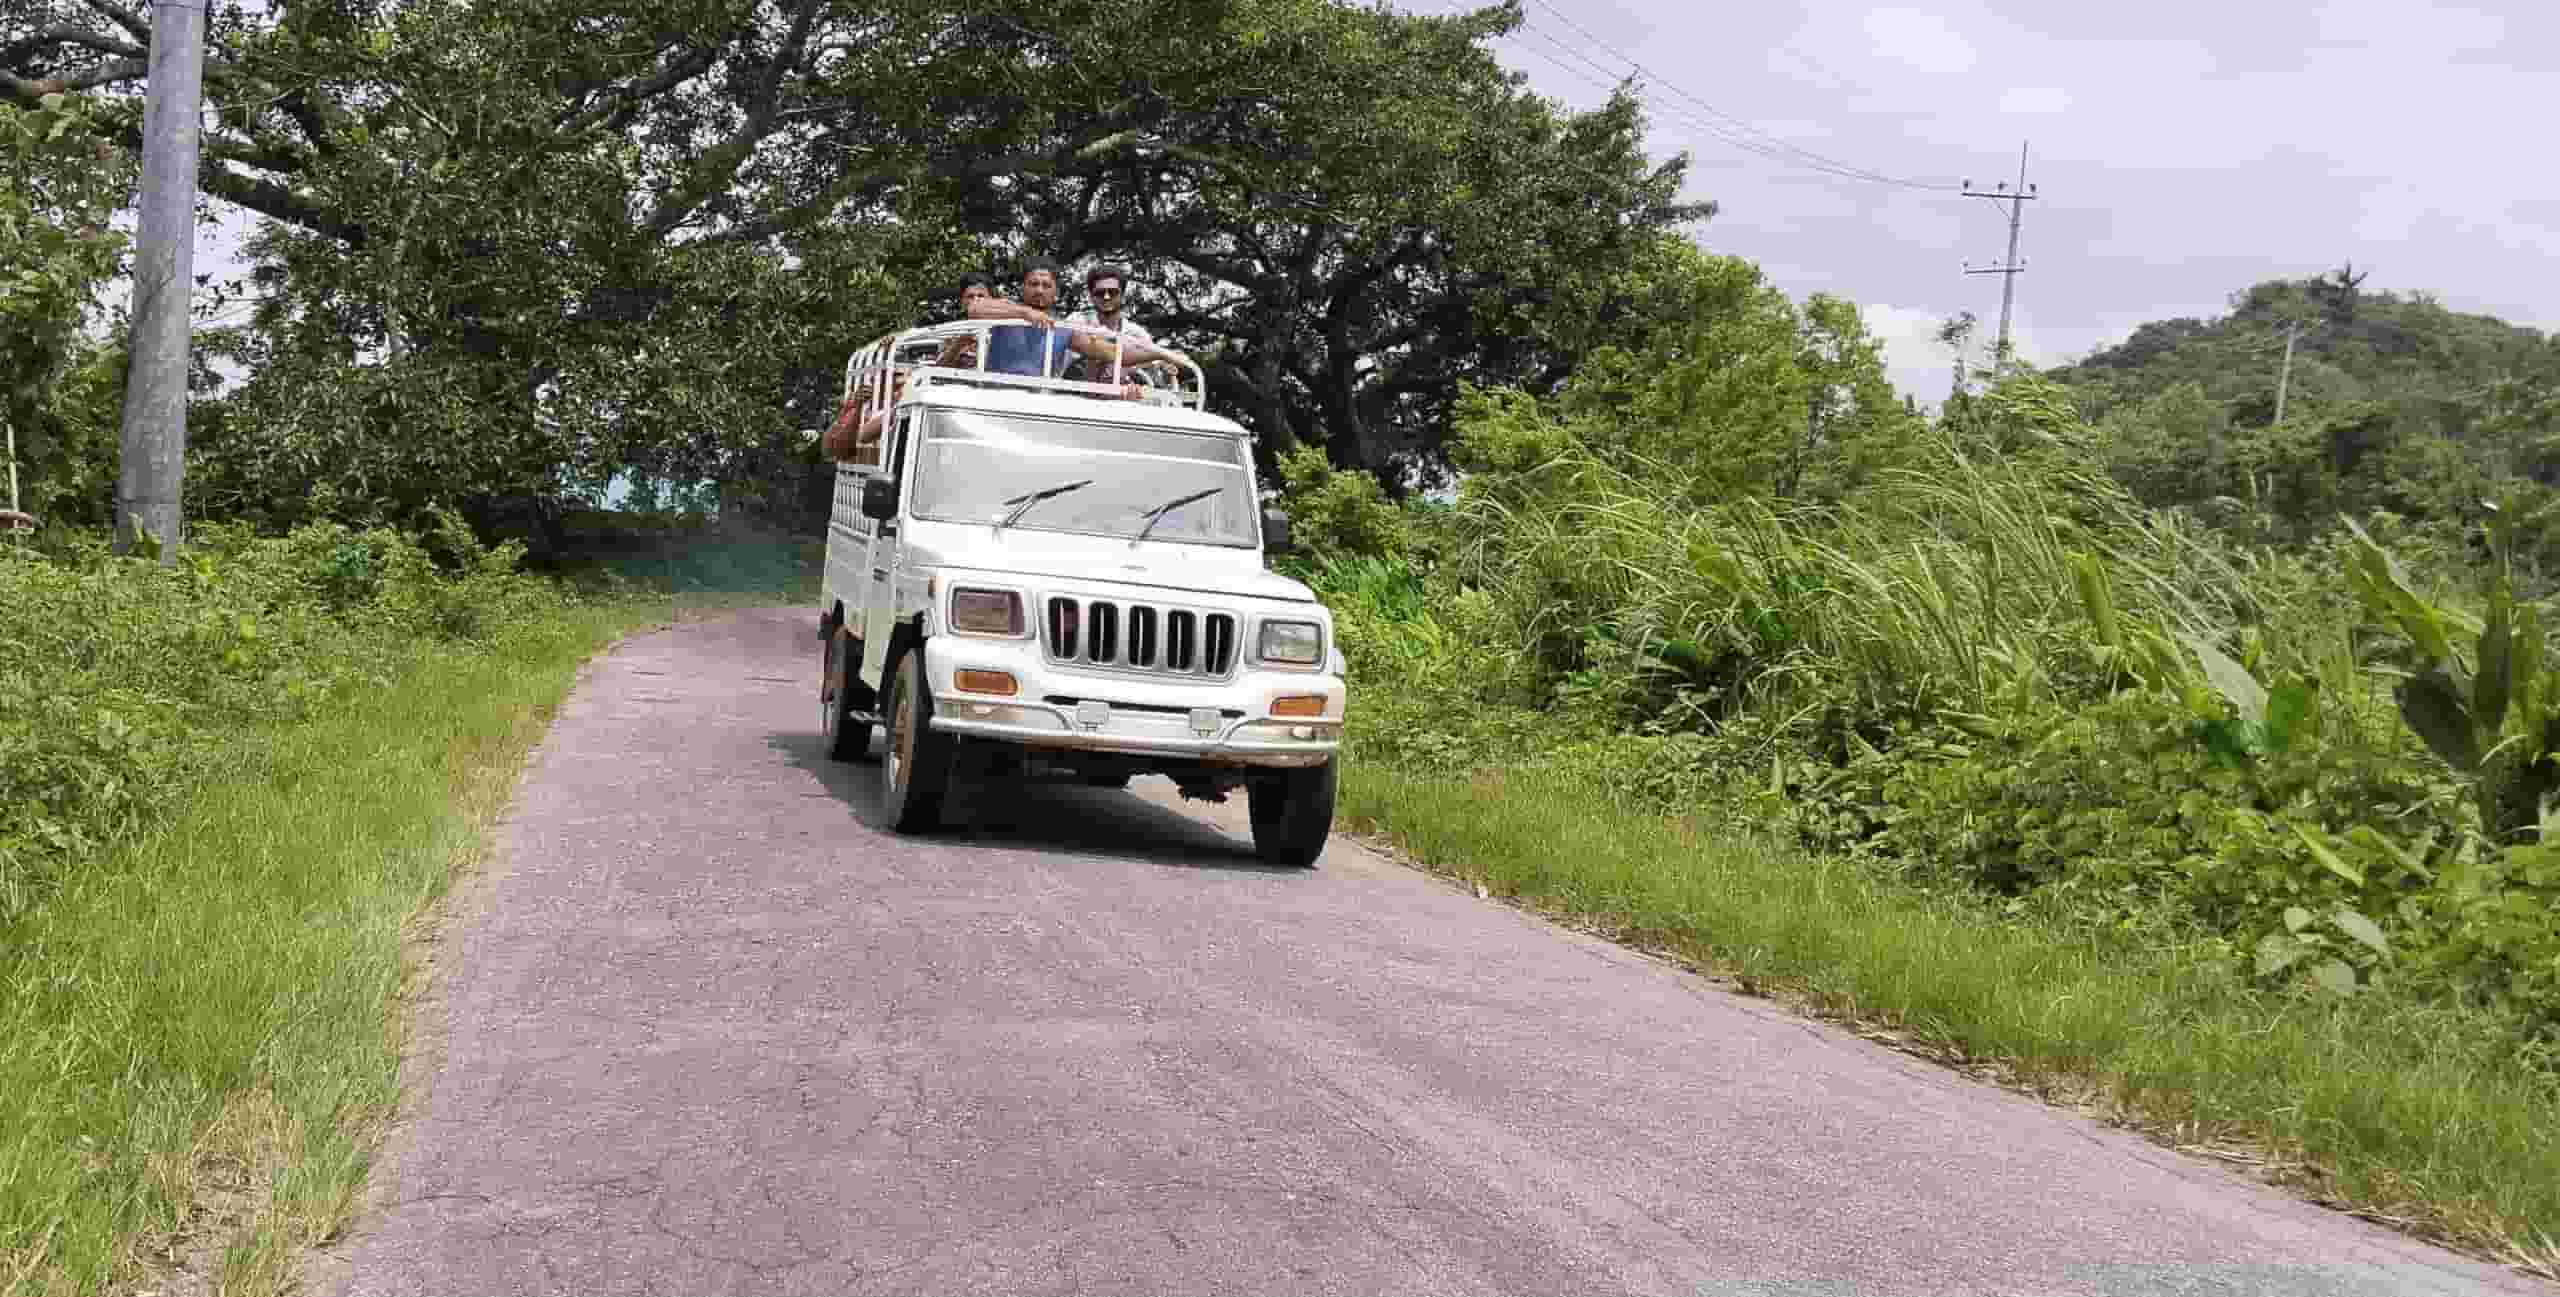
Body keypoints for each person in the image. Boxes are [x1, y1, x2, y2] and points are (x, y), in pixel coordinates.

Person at [968, 258, 1185, 392]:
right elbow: (975, 309)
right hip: (994, 400)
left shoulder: (1064, 329)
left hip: (1037, 407)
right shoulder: (1006, 311)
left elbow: (1116, 353)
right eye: (1033, 284)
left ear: (1056, 293)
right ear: (1023, 287)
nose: (1040, 290)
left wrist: (1162, 354)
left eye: (1046, 285)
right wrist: (1024, 312)